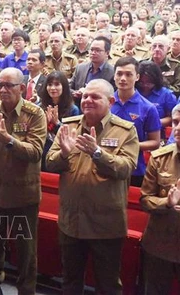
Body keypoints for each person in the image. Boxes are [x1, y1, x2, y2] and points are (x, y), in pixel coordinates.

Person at [46, 78, 140, 294]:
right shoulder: (68, 125)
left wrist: (97, 153)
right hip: (72, 221)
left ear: (111, 101)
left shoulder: (125, 131)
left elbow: (125, 168)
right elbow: (50, 163)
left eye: (95, 97)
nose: (88, 100)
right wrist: (64, 153)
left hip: (105, 224)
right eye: (85, 96)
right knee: (70, 281)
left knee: (107, 284)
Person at [0, 67, 47, 295]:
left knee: (26, 250)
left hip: (24, 195)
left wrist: (7, 139)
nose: (2, 90)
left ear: (21, 88)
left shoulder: (34, 114)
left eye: (8, 85)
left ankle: (26, 290)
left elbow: (35, 153)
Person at [140, 103, 180, 294]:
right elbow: (145, 199)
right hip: (160, 244)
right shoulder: (160, 158)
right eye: (176, 122)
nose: (177, 128)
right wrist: (167, 203)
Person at [111, 57, 161, 187]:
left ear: (137, 77)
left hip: (134, 169)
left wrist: (128, 145)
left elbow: (155, 142)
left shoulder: (148, 108)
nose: (123, 78)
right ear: (114, 75)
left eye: (128, 74)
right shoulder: (104, 102)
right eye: (119, 73)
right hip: (104, 164)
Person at [39, 71, 80, 171]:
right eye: (49, 84)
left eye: (57, 84)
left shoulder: (73, 109)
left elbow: (72, 136)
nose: (53, 88)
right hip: (42, 152)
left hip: (61, 154)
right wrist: (44, 125)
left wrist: (57, 123)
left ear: (64, 87)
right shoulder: (40, 106)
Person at [136, 61, 176, 139]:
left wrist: (153, 122)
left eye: (149, 83)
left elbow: (172, 118)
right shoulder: (134, 91)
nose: (145, 85)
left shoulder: (166, 94)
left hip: (158, 135)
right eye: (141, 82)